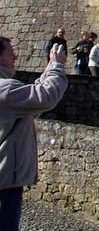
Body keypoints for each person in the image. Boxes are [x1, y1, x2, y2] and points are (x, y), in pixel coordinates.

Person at [0, 35, 68, 230]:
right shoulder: (5, 90)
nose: (15, 57)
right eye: (10, 53)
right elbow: (45, 98)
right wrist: (56, 67)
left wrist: (48, 70)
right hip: (5, 181)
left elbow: (29, 103)